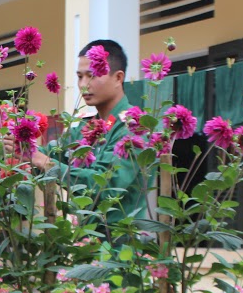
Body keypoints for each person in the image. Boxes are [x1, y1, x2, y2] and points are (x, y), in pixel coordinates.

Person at [12, 39, 150, 226]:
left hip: (124, 246)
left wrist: (44, 162)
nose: (84, 85)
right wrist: (20, 146)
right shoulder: (86, 127)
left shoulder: (135, 125)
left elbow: (106, 187)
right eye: (79, 77)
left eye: (92, 75)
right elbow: (51, 151)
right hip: (86, 244)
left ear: (118, 78)